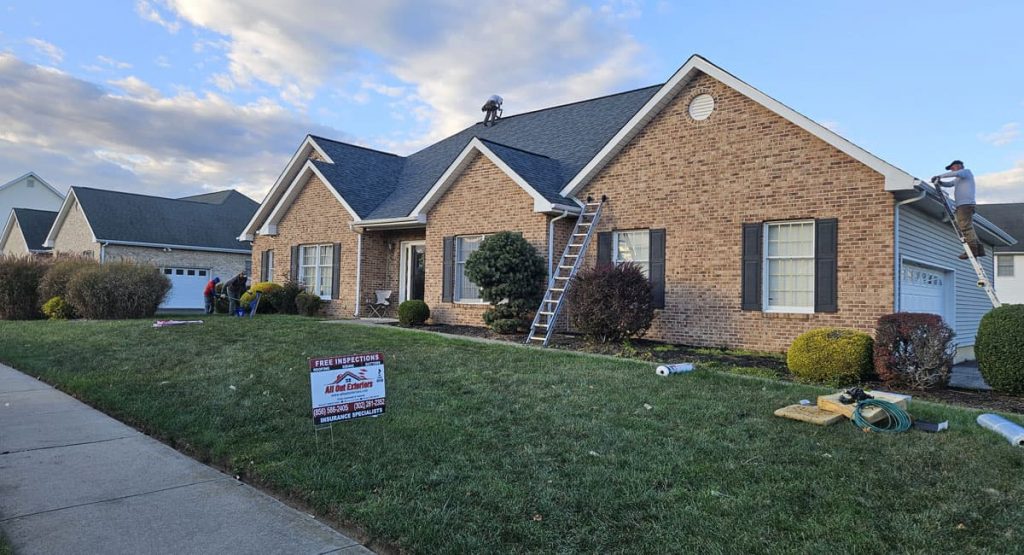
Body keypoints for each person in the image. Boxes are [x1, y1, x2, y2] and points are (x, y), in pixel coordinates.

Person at [931, 160, 984, 260]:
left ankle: (973, 250)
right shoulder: (958, 179)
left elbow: (955, 173)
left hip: (965, 205)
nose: (951, 170)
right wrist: (940, 183)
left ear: (959, 166)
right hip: (962, 205)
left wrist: (939, 176)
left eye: (952, 167)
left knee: (964, 227)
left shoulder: (966, 172)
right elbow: (950, 184)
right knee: (968, 226)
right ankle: (979, 249)